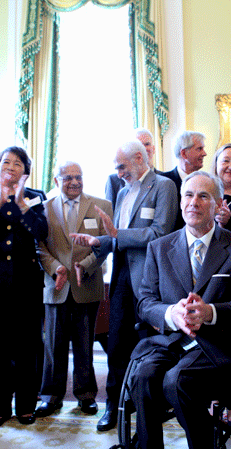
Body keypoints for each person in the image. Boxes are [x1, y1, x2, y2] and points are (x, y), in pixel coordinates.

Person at [131, 171, 231, 449]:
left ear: (218, 203)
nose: (193, 202)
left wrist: (211, 312)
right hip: (172, 342)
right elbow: (145, 301)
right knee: (145, 376)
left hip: (218, 346)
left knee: (178, 380)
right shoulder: (160, 248)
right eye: (188, 195)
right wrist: (170, 314)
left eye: (203, 196)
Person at [72, 139, 177, 431]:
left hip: (149, 283)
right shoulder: (121, 192)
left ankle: (150, 407)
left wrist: (118, 234)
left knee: (149, 347)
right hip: (120, 281)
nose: (118, 173)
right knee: (116, 346)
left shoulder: (164, 186)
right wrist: (91, 257)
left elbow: (160, 233)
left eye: (122, 166)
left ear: (140, 159)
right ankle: (115, 408)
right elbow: (115, 241)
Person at [0, 146, 48, 429]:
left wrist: (21, 203)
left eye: (17, 163)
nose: (10, 167)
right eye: (6, 162)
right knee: (0, 347)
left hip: (27, 281)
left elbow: (42, 233)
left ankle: (26, 405)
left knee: (28, 345)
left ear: (25, 172)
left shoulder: (36, 197)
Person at [36, 161, 113, 418]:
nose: (75, 182)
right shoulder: (43, 209)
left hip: (87, 284)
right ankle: (51, 396)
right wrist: (56, 268)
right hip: (56, 286)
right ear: (57, 181)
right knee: (54, 345)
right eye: (68, 177)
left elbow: (106, 244)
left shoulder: (101, 206)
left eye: (78, 177)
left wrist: (86, 266)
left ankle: (86, 395)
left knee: (84, 344)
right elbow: (39, 247)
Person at [159, 131, 207, 231]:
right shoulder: (163, 181)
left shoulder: (206, 183)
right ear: (184, 153)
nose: (204, 153)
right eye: (199, 149)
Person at [105, 128, 159, 208]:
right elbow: (111, 214)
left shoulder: (164, 180)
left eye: (147, 144)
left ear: (153, 149)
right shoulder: (114, 180)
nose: (143, 148)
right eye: (139, 145)